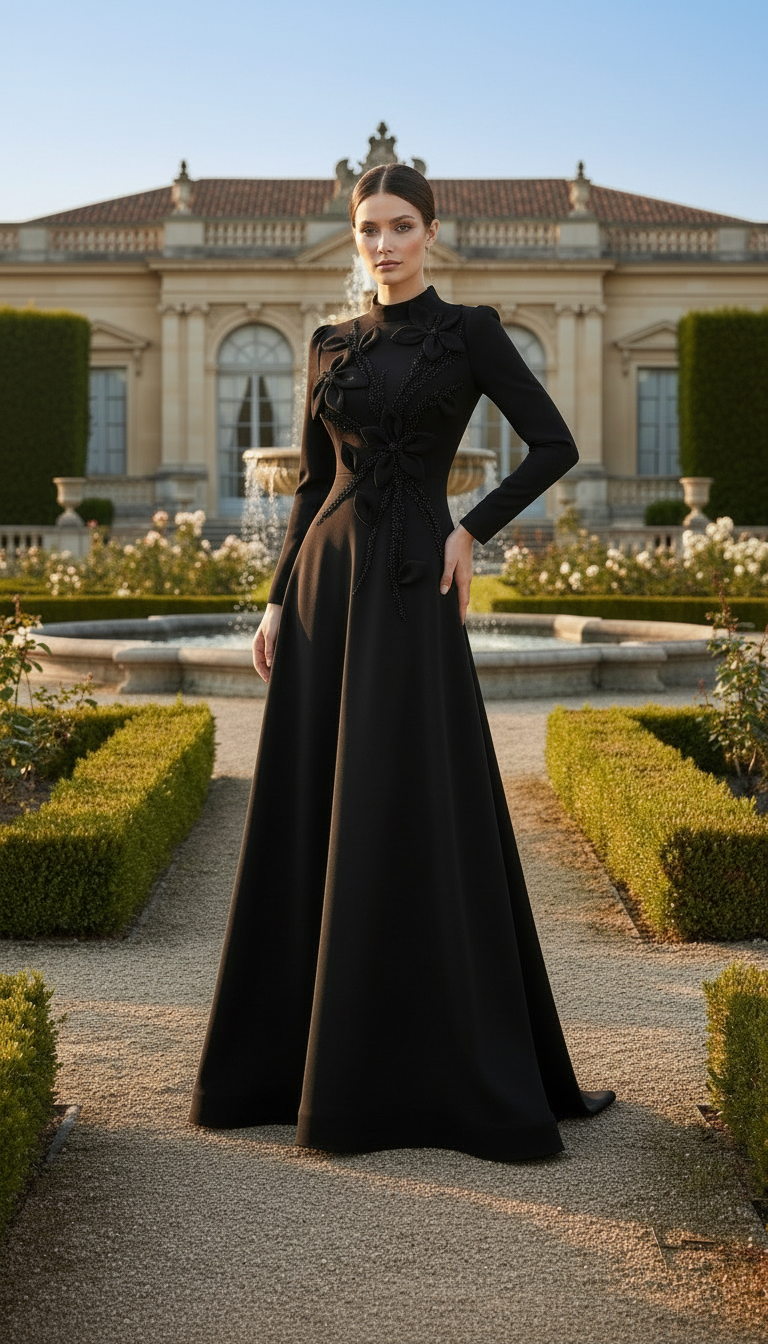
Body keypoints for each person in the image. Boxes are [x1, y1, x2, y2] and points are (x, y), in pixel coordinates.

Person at [189, 163, 615, 1161]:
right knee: (315, 802)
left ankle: (423, 1065)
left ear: (430, 231)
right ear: (355, 237)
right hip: (323, 587)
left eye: (400, 227)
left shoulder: (469, 332)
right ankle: (288, 1067)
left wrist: (472, 529)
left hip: (416, 579)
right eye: (368, 229)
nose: (382, 245)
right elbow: (310, 485)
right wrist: (273, 598)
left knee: (411, 796)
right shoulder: (329, 342)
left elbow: (552, 445)